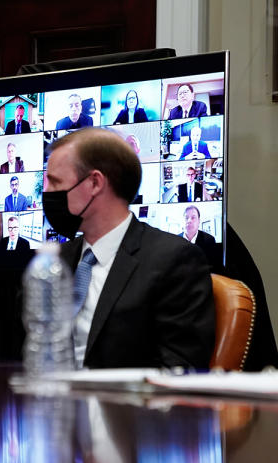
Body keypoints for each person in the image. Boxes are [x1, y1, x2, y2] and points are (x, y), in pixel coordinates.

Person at [42, 127, 214, 369]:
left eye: (55, 182)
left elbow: (178, 371)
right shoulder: (55, 262)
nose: (46, 192)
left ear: (94, 183)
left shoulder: (174, 261)